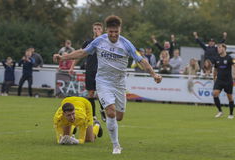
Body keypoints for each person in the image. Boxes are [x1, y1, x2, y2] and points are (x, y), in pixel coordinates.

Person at [53, 15, 162, 154]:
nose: (113, 35)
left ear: (120, 30)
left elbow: (141, 60)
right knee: (111, 112)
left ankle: (102, 118)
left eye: (116, 32)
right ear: (107, 30)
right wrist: (63, 57)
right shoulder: (99, 41)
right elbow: (82, 52)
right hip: (103, 82)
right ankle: (116, 145)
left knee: (119, 116)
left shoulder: (126, 44)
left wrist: (154, 74)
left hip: (119, 84)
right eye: (111, 32)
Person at [80, 22, 106, 121]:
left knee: (100, 93)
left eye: (99, 29)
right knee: (90, 93)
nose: (97, 31)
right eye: (95, 29)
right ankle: (93, 116)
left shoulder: (105, 42)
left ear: (102, 30)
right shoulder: (88, 42)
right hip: (90, 71)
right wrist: (72, 66)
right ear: (93, 30)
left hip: (101, 71)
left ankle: (103, 110)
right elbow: (80, 53)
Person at [213, 44, 235, 119]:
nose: (218, 49)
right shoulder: (216, 58)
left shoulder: (230, 58)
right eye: (218, 48)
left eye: (220, 47)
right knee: (215, 93)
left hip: (228, 81)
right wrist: (214, 77)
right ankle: (220, 111)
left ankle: (231, 114)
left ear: (224, 48)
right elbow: (215, 69)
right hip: (219, 80)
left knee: (230, 97)